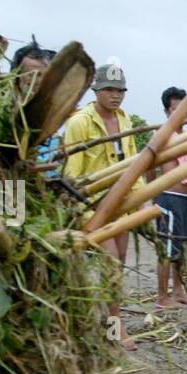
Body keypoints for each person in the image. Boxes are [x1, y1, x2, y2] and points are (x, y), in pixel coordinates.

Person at [63, 63, 142, 349]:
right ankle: (113, 331)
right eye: (109, 89)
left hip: (120, 203)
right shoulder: (80, 122)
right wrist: (84, 212)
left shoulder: (124, 119)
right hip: (93, 205)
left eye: (120, 90)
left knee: (118, 264)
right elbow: (73, 173)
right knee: (110, 265)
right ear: (96, 90)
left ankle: (108, 321)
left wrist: (139, 199)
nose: (116, 95)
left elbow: (134, 160)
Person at [153, 86, 187, 309]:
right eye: (176, 109)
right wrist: (150, 197)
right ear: (167, 111)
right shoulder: (162, 135)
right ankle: (162, 297)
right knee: (167, 250)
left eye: (185, 109)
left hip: (185, 199)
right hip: (169, 199)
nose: (182, 114)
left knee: (182, 249)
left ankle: (178, 290)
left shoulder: (186, 137)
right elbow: (148, 166)